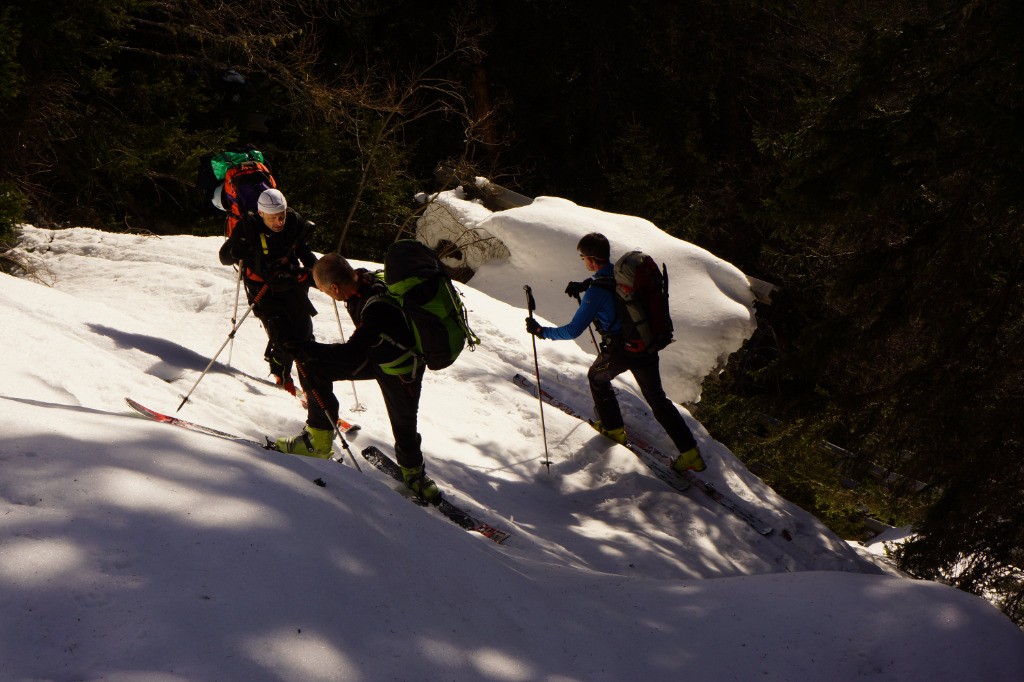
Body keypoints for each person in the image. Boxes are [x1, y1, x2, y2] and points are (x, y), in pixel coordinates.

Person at [525, 232, 707, 473]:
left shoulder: (596, 292)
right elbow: (608, 285)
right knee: (658, 400)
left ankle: (613, 429)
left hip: (621, 351)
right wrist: (585, 284)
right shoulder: (621, 274)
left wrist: (541, 331)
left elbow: (572, 330)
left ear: (590, 259)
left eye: (582, 258)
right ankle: (691, 453)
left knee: (596, 377)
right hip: (645, 344)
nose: (583, 262)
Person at [276, 253, 441, 502]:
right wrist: (301, 276)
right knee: (313, 368)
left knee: (403, 423)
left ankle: (416, 477)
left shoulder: (376, 309)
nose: (328, 295)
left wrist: (305, 347)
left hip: (402, 368)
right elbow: (334, 274)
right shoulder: (360, 278)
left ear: (334, 288)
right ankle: (318, 441)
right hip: (377, 354)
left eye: (326, 291)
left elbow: (350, 354)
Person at [218, 188, 318, 394]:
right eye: (272, 218)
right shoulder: (248, 227)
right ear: (261, 213)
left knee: (305, 336)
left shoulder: (294, 221)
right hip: (262, 289)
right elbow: (224, 257)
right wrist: (237, 251)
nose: (278, 222)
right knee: (284, 339)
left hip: (291, 284)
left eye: (281, 216)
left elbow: (304, 252)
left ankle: (314, 389)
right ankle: (281, 372)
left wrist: (318, 272)